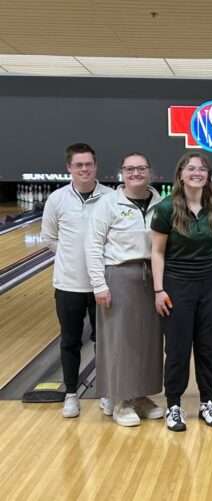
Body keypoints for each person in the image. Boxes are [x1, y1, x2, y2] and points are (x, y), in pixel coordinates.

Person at [85, 152, 164, 426]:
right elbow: (93, 246)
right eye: (130, 169)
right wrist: (99, 284)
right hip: (118, 274)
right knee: (120, 341)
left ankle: (140, 395)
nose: (135, 173)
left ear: (150, 172)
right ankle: (120, 400)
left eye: (141, 168)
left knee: (148, 341)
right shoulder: (108, 204)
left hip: (151, 276)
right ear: (122, 173)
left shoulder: (160, 202)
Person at [151, 152, 212, 432]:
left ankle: (207, 401)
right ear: (181, 174)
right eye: (191, 168)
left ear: (208, 176)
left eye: (202, 169)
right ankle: (174, 404)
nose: (197, 173)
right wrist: (159, 290)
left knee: (208, 346)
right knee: (177, 348)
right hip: (177, 285)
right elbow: (157, 252)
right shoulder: (166, 209)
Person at [41, 142, 112, 418]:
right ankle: (71, 394)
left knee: (104, 342)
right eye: (78, 165)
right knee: (69, 340)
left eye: (89, 164)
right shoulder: (57, 199)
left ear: (95, 166)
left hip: (102, 285)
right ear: (69, 168)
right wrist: (70, 256)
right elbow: (49, 237)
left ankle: (106, 391)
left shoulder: (110, 197)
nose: (84, 169)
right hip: (68, 284)